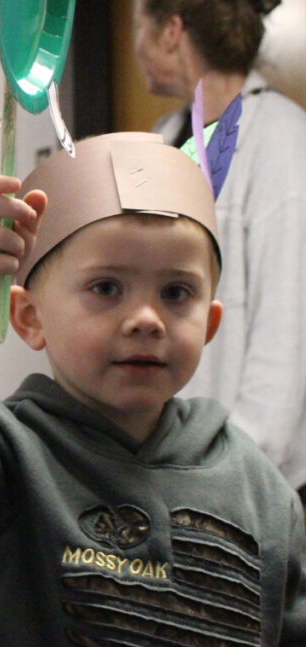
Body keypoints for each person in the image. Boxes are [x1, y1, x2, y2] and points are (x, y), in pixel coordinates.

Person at [0, 132, 306, 647]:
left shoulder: (258, 486)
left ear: (209, 324)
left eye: (176, 293)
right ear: (29, 318)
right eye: (107, 288)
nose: (146, 318)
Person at [133, 0, 306, 496]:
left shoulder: (281, 140)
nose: (140, 46)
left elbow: (285, 332)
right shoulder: (161, 141)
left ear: (172, 31)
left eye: (141, 28)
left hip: (240, 483)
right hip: (159, 467)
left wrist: (233, 473)